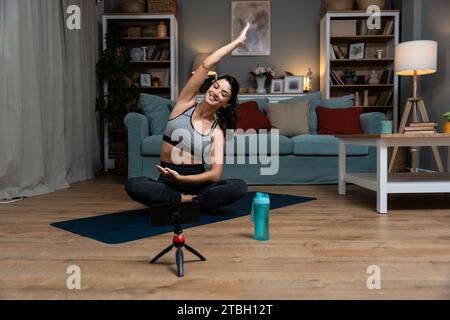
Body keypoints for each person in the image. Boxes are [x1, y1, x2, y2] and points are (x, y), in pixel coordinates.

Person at [125, 23, 250, 213]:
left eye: (224, 94)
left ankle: (184, 201)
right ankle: (187, 201)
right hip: (168, 181)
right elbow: (206, 64)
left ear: (226, 103)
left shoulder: (216, 132)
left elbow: (215, 175)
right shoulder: (184, 104)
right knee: (134, 185)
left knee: (239, 186)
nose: (216, 92)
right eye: (216, 86)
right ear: (210, 85)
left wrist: (183, 180)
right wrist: (237, 42)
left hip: (196, 182)